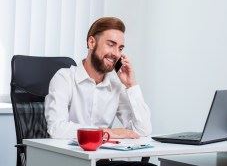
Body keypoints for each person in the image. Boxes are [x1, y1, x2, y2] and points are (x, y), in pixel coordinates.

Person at [45, 17, 155, 166]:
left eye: (120, 48)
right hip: (69, 161)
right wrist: (107, 133)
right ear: (91, 42)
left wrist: (131, 85)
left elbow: (143, 130)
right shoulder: (64, 78)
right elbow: (56, 129)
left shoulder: (116, 85)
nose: (116, 53)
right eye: (111, 45)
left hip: (101, 162)